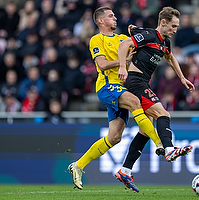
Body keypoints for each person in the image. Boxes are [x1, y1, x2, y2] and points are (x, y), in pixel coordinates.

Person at [67, 6, 165, 191]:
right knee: (136, 103)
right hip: (107, 87)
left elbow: (147, 43)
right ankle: (159, 142)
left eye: (114, 15)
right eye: (111, 16)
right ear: (101, 21)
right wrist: (123, 62)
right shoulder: (97, 39)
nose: (115, 18)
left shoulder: (122, 39)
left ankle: (78, 165)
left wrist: (138, 31)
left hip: (122, 88)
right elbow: (102, 64)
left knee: (114, 137)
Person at [117, 6, 195, 192]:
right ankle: (169, 149)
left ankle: (125, 170)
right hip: (135, 82)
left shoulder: (164, 42)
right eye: (173, 26)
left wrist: (182, 78)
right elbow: (123, 45)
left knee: (145, 130)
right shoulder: (150, 35)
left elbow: (170, 58)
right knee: (163, 113)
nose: (175, 30)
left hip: (143, 83)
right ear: (163, 22)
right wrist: (122, 66)